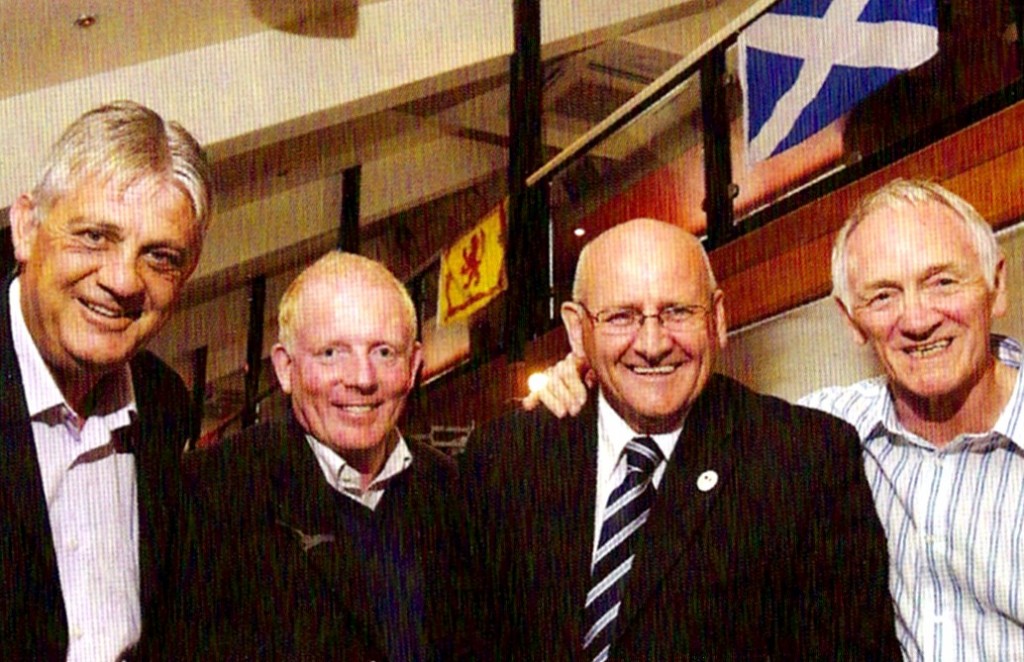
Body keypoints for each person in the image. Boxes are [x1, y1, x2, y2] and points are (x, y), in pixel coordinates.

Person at [528, 180, 1024, 660]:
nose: (917, 319)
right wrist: (585, 369)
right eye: (882, 296)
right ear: (851, 320)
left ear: (996, 286)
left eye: (942, 282)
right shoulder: (827, 435)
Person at [461, 218, 899, 659]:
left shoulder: (803, 459)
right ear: (578, 330)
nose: (652, 344)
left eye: (678, 311)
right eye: (621, 316)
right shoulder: (505, 460)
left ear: (718, 318)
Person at [173, 251, 465, 660]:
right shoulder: (210, 492)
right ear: (285, 368)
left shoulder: (457, 492)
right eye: (332, 353)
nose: (362, 379)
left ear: (414, 365)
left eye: (384, 352)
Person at [0, 100, 211, 659]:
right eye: (95, 236)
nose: (122, 281)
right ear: (26, 228)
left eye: (160, 257)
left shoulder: (165, 404)